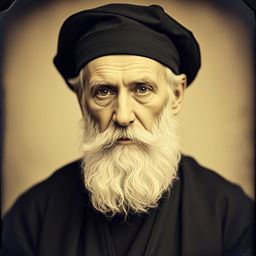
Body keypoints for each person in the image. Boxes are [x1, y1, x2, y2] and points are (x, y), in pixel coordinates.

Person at [2, 3, 254, 256]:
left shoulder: (230, 214)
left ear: (176, 94)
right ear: (81, 100)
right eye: (103, 91)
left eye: (142, 89)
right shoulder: (33, 216)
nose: (123, 116)